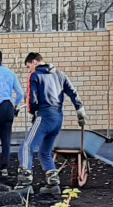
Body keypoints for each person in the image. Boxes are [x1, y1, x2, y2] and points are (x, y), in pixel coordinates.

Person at [20, 52, 86, 191]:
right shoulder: (60, 75)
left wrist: (33, 112)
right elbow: (73, 92)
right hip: (58, 118)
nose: (29, 70)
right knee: (45, 152)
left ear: (34, 62)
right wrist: (80, 110)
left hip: (44, 116)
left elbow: (31, 99)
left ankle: (24, 183)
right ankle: (53, 185)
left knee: (27, 146)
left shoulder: (35, 75)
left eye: (28, 66)